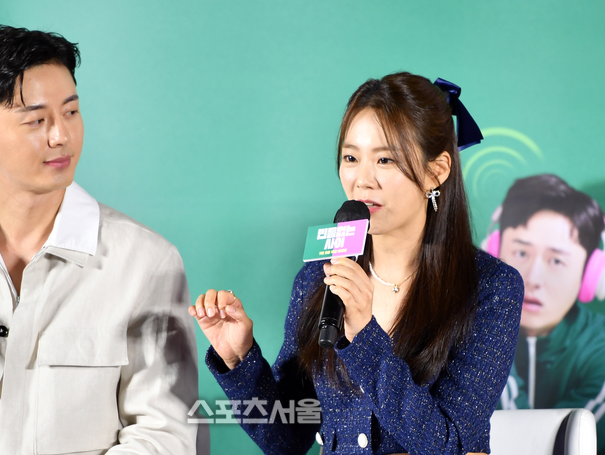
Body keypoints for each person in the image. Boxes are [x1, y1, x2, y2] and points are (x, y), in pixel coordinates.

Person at [0, 24, 203, 454]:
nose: (61, 135)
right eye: (36, 120)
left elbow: (164, 435)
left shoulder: (145, 262)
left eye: (71, 112)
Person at [189, 72, 524, 454]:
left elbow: (451, 444)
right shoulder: (319, 277)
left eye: (385, 159)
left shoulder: (491, 287)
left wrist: (364, 335)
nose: (362, 180)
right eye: (351, 158)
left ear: (437, 170)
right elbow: (287, 439)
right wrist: (239, 359)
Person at [488, 174, 605, 454]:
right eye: (521, 253)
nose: (533, 278)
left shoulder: (600, 347)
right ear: (493, 252)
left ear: (589, 275)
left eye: (556, 260)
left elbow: (552, 446)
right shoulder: (464, 328)